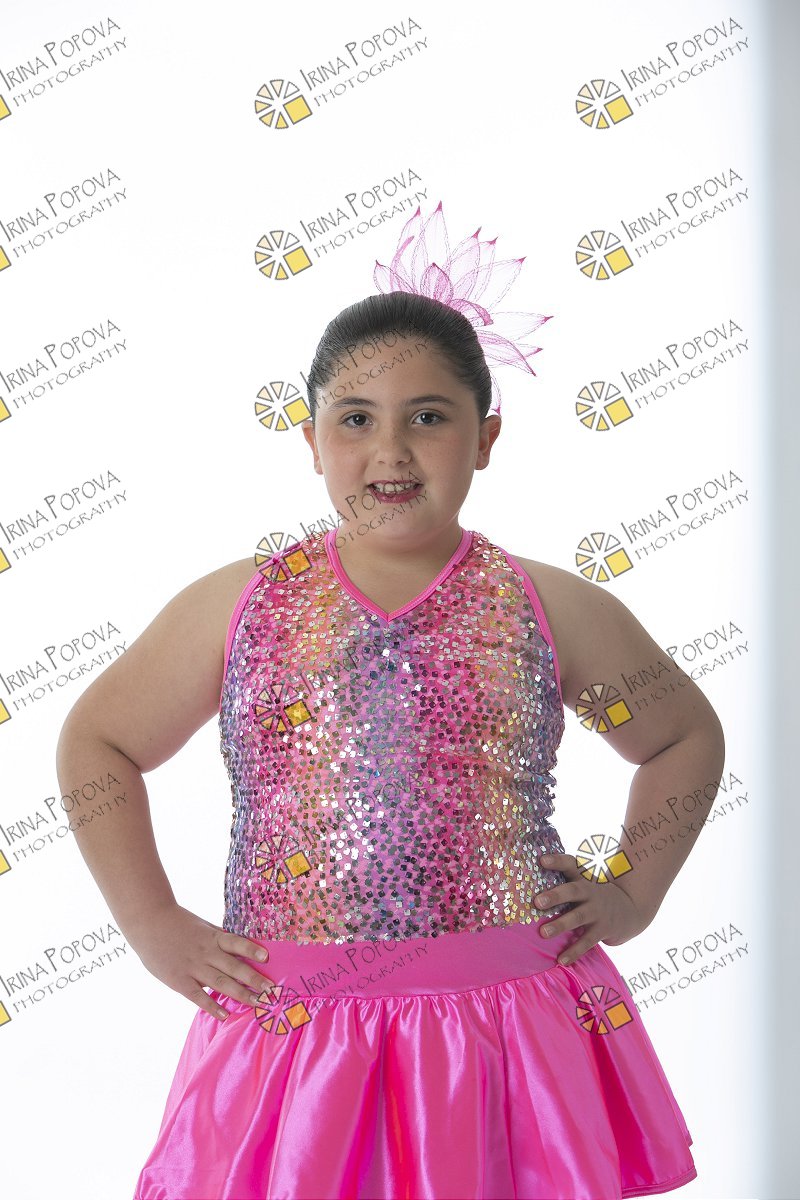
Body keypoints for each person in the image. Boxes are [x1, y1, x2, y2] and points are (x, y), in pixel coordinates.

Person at [57, 212, 722, 1200]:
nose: (391, 450)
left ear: (485, 436)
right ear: (311, 440)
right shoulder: (241, 603)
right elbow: (99, 740)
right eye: (356, 419)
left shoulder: (550, 606)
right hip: (300, 1024)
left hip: (506, 1017)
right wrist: (152, 920)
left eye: (430, 416)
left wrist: (631, 890)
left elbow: (682, 737)